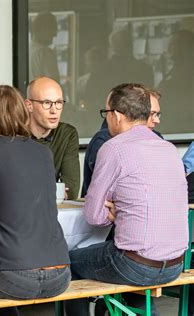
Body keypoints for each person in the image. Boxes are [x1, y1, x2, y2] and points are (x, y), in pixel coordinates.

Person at [65, 83, 188, 316]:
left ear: (117, 116)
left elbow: (93, 215)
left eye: (106, 113)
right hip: (175, 264)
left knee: (69, 261)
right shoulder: (170, 149)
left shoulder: (113, 148)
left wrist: (112, 214)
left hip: (135, 265)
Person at [0, 85, 70, 316]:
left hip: (12, 276)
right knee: (2, 281)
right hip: (60, 275)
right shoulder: (44, 153)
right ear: (23, 111)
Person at [81, 88, 163, 197]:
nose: (157, 120)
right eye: (151, 114)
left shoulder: (157, 139)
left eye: (157, 114)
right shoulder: (103, 142)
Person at [25, 76, 80, 200]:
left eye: (59, 103)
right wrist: (56, 192)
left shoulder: (67, 133)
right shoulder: (14, 134)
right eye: (47, 103)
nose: (54, 110)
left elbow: (71, 190)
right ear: (29, 105)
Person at [28, 12, 60, 82]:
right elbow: (54, 85)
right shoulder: (45, 52)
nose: (55, 35)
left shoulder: (27, 50)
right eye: (53, 30)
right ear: (42, 29)